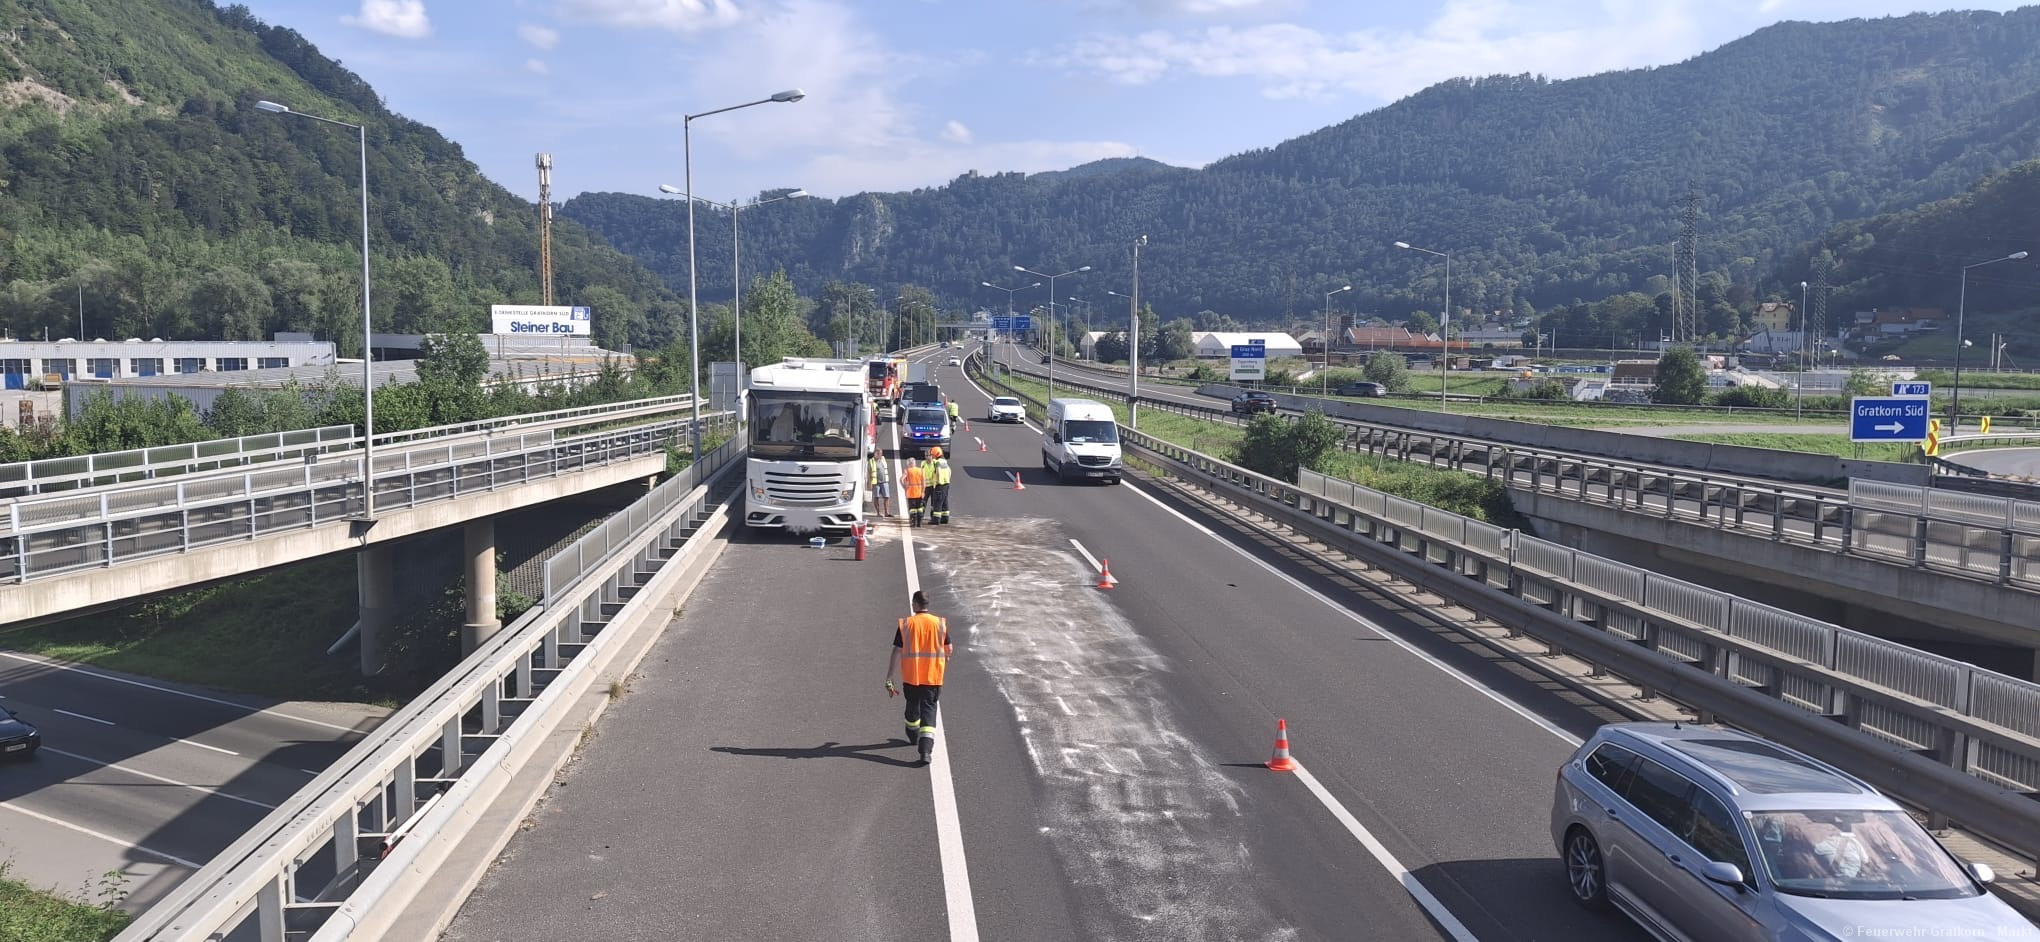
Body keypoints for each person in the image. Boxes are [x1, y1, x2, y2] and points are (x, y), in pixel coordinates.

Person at [884, 590, 951, 764]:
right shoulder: (939, 624)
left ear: (915, 604)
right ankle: (925, 751)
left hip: (911, 677)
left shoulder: (907, 624)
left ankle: (913, 735)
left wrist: (890, 676)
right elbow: (948, 648)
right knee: (929, 710)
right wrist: (944, 660)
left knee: (912, 708)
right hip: (932, 677)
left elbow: (897, 651)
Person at [922, 446, 952, 525]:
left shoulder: (937, 462)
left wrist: (937, 481)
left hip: (940, 484)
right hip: (946, 484)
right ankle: (945, 518)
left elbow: (938, 471)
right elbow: (949, 471)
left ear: (936, 454)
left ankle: (936, 520)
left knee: (937, 502)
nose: (932, 456)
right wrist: (948, 480)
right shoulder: (944, 461)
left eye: (932, 454)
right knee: (944, 501)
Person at [902, 457, 927, 527]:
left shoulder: (907, 471)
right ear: (914, 463)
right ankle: (919, 523)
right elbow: (924, 483)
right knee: (920, 509)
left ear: (909, 464)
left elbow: (901, 479)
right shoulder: (921, 470)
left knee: (912, 509)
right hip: (919, 493)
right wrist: (923, 491)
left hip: (911, 493)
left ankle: (913, 523)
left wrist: (904, 487)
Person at [868, 452, 892, 518]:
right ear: (875, 454)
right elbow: (869, 473)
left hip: (884, 481)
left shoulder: (883, 459)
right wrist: (869, 483)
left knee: (886, 497)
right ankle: (878, 513)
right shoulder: (871, 461)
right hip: (876, 482)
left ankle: (886, 512)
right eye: (878, 454)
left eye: (880, 453)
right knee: (876, 497)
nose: (880, 455)